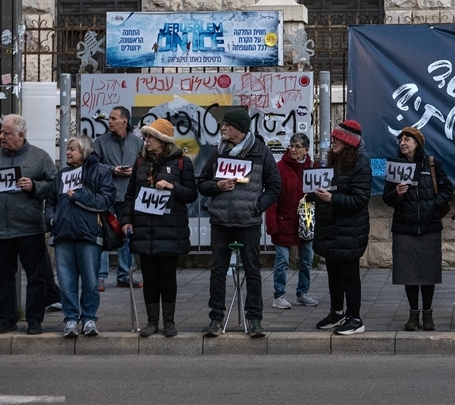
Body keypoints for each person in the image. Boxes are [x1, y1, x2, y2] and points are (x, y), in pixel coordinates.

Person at [197, 107, 282, 339]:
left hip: (248, 222)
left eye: (228, 125)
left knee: (253, 271)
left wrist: (256, 206)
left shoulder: (261, 152)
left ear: (241, 130)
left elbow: (275, 186)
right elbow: (202, 183)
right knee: (217, 271)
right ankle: (216, 318)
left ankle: (254, 319)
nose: (223, 129)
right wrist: (217, 186)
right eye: (224, 125)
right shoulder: (218, 152)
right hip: (221, 221)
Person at [0, 114, 57, 335]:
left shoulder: (40, 158)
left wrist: (34, 186)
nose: (1, 136)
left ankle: (34, 320)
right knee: (2, 278)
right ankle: (6, 320)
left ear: (21, 135)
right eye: (1, 132)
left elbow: (54, 187)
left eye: (6, 133)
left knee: (36, 277)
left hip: (29, 228)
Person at [122, 118, 198, 338]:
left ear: (163, 141)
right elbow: (130, 195)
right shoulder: (140, 163)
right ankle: (151, 321)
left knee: (168, 277)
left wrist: (172, 187)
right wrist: (127, 220)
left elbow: (191, 195)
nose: (146, 141)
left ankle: (169, 321)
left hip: (170, 229)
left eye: (151, 137)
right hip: (145, 229)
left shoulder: (182, 162)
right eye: (145, 137)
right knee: (149, 278)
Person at [382, 126, 454, 331]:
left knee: (428, 273)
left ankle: (428, 314)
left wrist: (433, 204)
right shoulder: (395, 167)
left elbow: (448, 189)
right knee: (409, 274)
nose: (403, 143)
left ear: (418, 143)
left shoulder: (431, 163)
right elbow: (388, 199)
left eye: (408, 139)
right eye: (401, 140)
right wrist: (397, 192)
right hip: (404, 228)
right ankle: (413, 314)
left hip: (429, 227)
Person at [46, 135, 116, 338]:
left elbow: (105, 201)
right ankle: (70, 320)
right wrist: (52, 220)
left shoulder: (101, 172)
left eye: (72, 149)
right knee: (66, 282)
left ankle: (89, 319)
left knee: (91, 282)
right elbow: (50, 202)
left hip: (89, 235)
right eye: (67, 149)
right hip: (63, 235)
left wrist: (78, 195)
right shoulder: (61, 175)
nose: (68, 152)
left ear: (84, 152)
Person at [313, 119, 372, 335]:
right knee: (333, 274)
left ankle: (355, 318)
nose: (332, 142)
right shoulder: (332, 162)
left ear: (349, 142)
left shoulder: (361, 165)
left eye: (337, 139)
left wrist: (332, 199)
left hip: (350, 231)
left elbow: (359, 200)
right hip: (331, 229)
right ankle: (336, 313)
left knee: (350, 276)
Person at [266, 132, 320, 310]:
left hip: (306, 220)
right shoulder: (279, 167)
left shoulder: (313, 167)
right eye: (292, 145)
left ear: (306, 149)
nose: (294, 149)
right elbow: (272, 196)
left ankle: (302, 292)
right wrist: (271, 223)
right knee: (282, 259)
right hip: (284, 220)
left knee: (307, 259)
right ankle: (279, 295)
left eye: (298, 146)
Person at [93, 106, 143, 291]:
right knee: (104, 234)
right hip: (107, 195)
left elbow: (142, 165)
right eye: (110, 119)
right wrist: (112, 170)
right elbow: (93, 166)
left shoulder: (137, 143)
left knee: (126, 235)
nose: (110, 122)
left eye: (114, 118)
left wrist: (134, 173)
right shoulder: (100, 142)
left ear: (125, 121)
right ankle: (100, 276)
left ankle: (125, 274)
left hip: (129, 196)